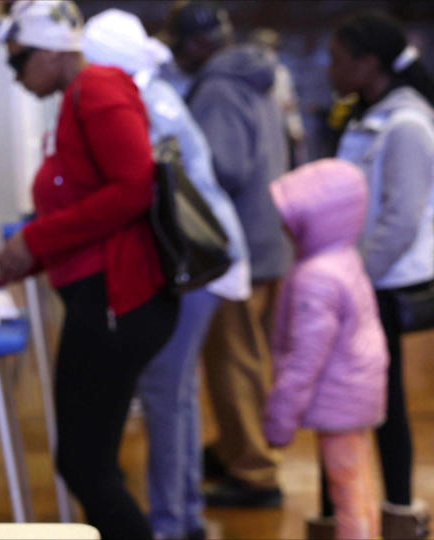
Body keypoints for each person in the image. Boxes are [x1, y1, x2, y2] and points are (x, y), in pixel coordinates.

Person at [0, 2, 179, 538]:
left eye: (18, 62)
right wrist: (16, 260)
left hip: (116, 299)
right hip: (103, 295)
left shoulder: (95, 90)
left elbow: (133, 189)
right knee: (91, 458)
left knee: (82, 461)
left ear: (50, 53)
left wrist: (35, 241)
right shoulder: (79, 95)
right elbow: (82, 204)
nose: (16, 75)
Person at [82, 9, 250, 540]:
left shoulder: (140, 104)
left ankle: (170, 524)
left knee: (164, 393)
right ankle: (186, 515)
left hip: (194, 264)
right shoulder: (154, 93)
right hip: (208, 259)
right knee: (176, 394)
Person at [163, 0, 292, 507]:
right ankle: (243, 447)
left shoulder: (218, 89)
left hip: (237, 247)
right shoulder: (253, 76)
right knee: (251, 360)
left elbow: (221, 168)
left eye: (178, 44)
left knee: (232, 363)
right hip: (269, 236)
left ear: (197, 43)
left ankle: (254, 473)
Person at [329, 12, 434, 539]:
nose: (330, 69)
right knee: (357, 398)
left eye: (339, 60)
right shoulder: (372, 113)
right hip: (366, 278)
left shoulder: (408, 123)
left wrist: (355, 279)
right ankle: (350, 510)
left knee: (386, 402)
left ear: (369, 64)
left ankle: (397, 509)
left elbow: (401, 217)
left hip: (384, 284)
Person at [263, 159, 388, 540]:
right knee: (358, 481)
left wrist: (279, 418)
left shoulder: (316, 278)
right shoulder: (343, 259)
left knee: (346, 491)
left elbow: (306, 358)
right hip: (356, 390)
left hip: (339, 396)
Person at [250, 28, 309, 167]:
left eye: (272, 48)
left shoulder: (281, 73)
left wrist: (296, 128)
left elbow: (290, 104)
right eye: (262, 47)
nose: (268, 52)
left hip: (279, 130)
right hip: (258, 130)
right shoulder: (248, 75)